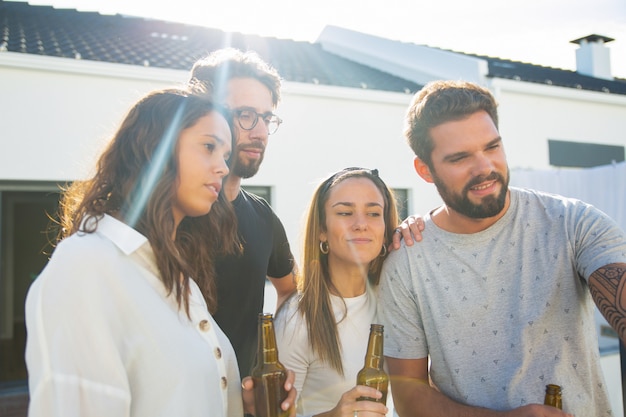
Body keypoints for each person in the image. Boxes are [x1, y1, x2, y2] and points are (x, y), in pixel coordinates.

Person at [24, 87, 295, 417]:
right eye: (209, 147)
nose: (223, 168)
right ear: (154, 148)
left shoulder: (179, 278)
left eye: (225, 155)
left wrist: (241, 406)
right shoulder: (86, 266)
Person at [378, 80, 626, 417]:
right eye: (460, 157)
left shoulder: (572, 222)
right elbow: (409, 400)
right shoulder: (407, 262)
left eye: (492, 147)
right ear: (425, 170)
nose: (485, 168)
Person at [188, 48, 297, 378]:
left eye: (266, 118)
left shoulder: (263, 217)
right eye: (246, 115)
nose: (261, 132)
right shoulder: (172, 214)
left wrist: (271, 355)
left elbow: (291, 291)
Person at [274, 167, 398, 417]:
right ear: (322, 230)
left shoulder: (398, 304)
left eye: (374, 213)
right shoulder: (297, 319)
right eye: (344, 212)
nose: (361, 224)